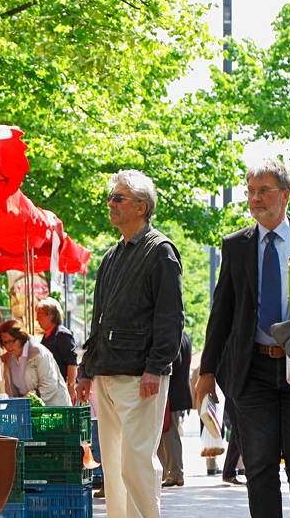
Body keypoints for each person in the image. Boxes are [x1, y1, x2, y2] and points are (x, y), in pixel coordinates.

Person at [194, 157, 290, 518]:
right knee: (258, 463)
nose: (255, 199)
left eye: (264, 191)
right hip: (253, 367)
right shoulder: (237, 245)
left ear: (285, 194)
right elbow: (222, 311)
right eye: (251, 191)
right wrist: (208, 371)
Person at [75, 169, 184, 518]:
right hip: (108, 372)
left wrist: (156, 366)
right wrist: (87, 369)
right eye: (110, 197)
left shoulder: (160, 251)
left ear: (141, 205)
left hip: (140, 376)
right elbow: (100, 317)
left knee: (136, 463)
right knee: (116, 467)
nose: (111, 203)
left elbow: (171, 317)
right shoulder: (111, 256)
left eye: (118, 197)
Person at [0, 320, 72, 406]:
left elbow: (50, 384)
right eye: (5, 342)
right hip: (29, 411)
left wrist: (27, 399)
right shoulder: (8, 358)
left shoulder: (38, 352)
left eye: (12, 341)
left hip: (55, 408)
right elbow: (11, 390)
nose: (8, 346)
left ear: (21, 337)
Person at [158, 330, 192, 487]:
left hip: (171, 394)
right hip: (177, 393)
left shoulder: (173, 337)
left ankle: (175, 473)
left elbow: (173, 363)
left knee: (169, 434)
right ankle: (170, 472)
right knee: (170, 432)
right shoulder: (184, 336)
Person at [35, 297, 79, 400]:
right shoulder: (46, 336)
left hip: (61, 390)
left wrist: (70, 387)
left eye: (40, 315)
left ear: (51, 315)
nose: (37, 319)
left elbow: (71, 362)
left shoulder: (62, 334)